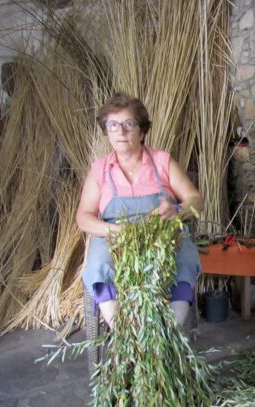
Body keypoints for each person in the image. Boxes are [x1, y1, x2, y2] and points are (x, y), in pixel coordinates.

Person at [77, 92, 203, 329]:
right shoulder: (99, 170)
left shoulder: (162, 161)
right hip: (115, 236)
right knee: (99, 263)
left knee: (183, 258)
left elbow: (195, 199)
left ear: (142, 131)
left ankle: (169, 338)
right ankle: (126, 337)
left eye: (129, 124)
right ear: (106, 132)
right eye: (113, 125)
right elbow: (83, 217)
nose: (121, 132)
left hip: (162, 234)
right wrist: (115, 230)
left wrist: (176, 210)